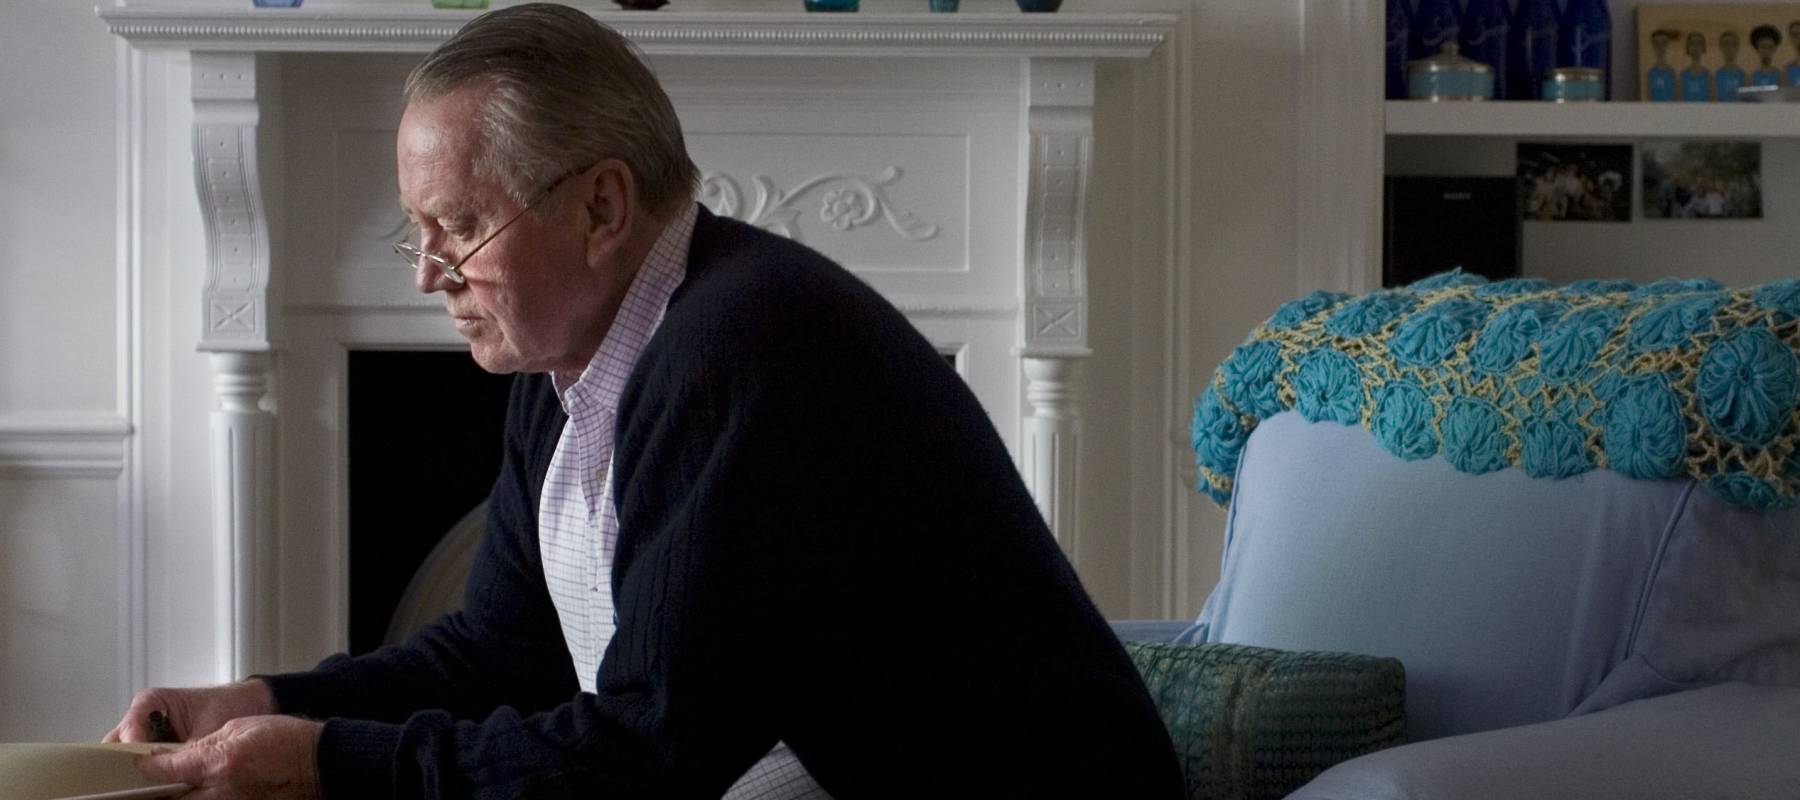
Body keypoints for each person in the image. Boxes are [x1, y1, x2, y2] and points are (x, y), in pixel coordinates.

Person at [103, 5, 1183, 799]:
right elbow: (500, 650)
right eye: (418, 229)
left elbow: (647, 752)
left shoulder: (740, 351)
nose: (428, 272)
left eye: (459, 226)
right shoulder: (570, 355)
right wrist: (269, 701)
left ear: (603, 205)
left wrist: (329, 764)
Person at [1716, 30, 1747, 100]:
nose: (1728, 47)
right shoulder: (1717, 75)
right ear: (1721, 47)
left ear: (1737, 47)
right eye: (1725, 44)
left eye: (1732, 44)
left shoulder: (1742, 75)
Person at [1681, 31, 1712, 101]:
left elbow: (1712, 101)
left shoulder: (1709, 76)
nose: (1696, 47)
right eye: (1692, 43)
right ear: (1687, 47)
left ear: (1703, 47)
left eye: (1699, 43)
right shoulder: (1682, 76)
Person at [1751, 24, 1784, 88]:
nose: (1766, 51)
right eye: (1763, 47)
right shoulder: (1752, 77)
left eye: (1770, 47)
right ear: (1757, 49)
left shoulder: (1781, 76)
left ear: (1774, 49)